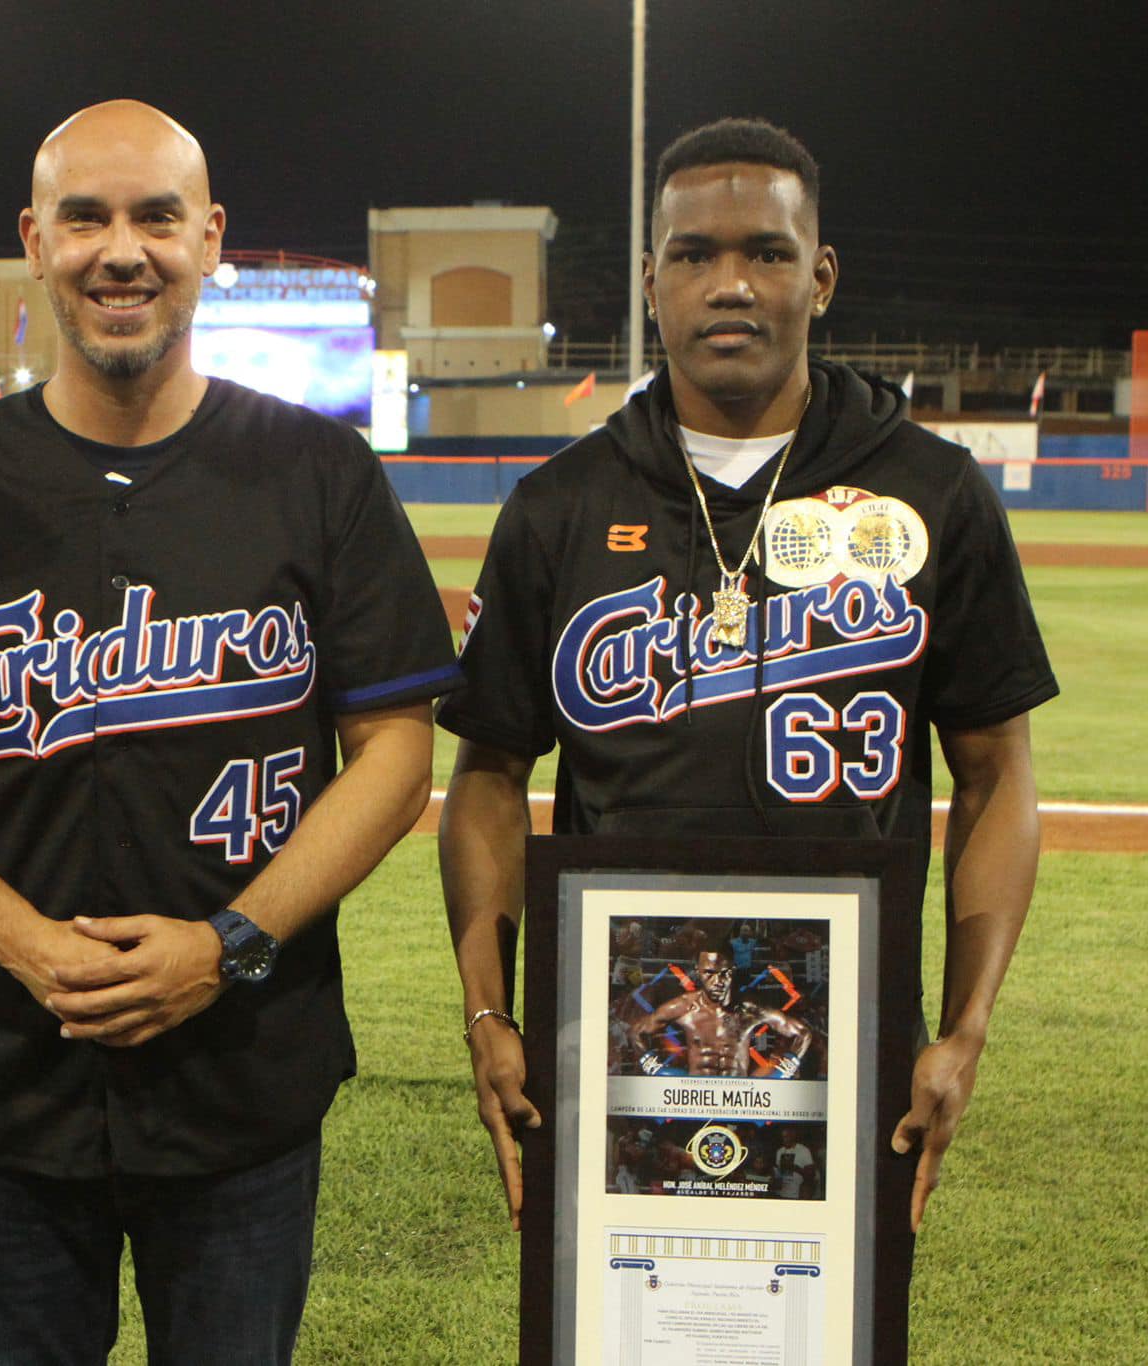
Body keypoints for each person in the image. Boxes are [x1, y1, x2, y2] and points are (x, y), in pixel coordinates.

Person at [0, 99, 458, 1363]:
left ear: (210, 239)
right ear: (33, 240)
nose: (120, 249)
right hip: (5, 1087)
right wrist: (22, 943)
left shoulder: (318, 475)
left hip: (244, 1081)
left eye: (155, 216)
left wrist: (230, 944)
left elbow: (394, 751)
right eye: (85, 217)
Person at [437, 117, 1055, 1236]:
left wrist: (963, 1029)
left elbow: (995, 771)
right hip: (609, 1033)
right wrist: (488, 1008)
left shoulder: (931, 492)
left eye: (765, 253)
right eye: (693, 254)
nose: (729, 283)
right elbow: (486, 772)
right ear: (650, 281)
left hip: (853, 1033)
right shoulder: (557, 506)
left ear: (818, 277)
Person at [630, 948, 813, 1078]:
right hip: (695, 1100)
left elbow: (803, 1033)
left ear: (731, 973)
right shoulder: (684, 1008)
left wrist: (785, 1070)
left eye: (723, 973)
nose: (717, 981)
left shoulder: (749, 1009)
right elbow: (636, 1031)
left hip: (737, 1101)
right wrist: (653, 1067)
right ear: (698, 973)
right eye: (709, 973)